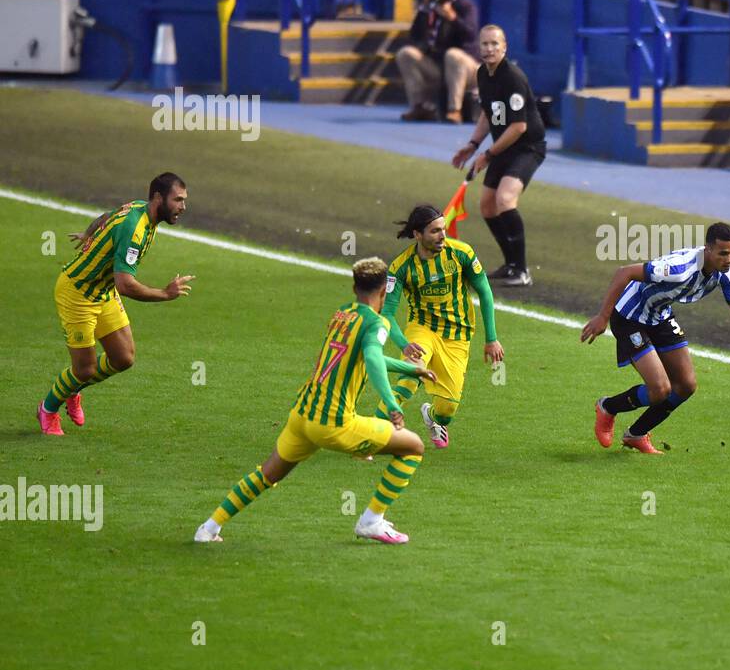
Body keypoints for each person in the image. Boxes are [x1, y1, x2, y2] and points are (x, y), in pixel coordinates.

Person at [194, 257, 437, 545]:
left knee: (268, 474)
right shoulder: (378, 322)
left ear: (354, 287)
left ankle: (209, 528)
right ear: (384, 291)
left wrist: (412, 368)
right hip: (334, 423)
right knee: (413, 447)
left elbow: (363, 356)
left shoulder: (342, 313)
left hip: (302, 415)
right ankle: (372, 521)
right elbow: (371, 357)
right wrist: (392, 404)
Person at [579, 222, 730, 455]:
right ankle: (607, 407)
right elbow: (624, 272)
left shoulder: (725, 274)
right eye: (723, 253)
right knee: (660, 389)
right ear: (707, 249)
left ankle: (636, 434)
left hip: (659, 315)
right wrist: (603, 316)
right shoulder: (679, 267)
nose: (729, 259)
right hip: (629, 316)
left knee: (686, 386)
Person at [38, 173, 195, 436]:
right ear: (158, 197)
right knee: (85, 369)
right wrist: (165, 294)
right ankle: (48, 409)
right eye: (178, 199)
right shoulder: (135, 228)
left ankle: (72, 388)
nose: (183, 206)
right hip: (77, 293)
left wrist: (89, 232)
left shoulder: (139, 209)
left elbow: (107, 216)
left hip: (103, 292)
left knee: (123, 358)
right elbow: (125, 285)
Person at [376, 205, 505, 450]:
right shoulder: (401, 267)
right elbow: (388, 314)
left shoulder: (461, 253)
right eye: (435, 231)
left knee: (448, 409)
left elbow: (485, 292)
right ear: (417, 235)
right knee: (410, 376)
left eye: (443, 229)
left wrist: (492, 338)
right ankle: (373, 433)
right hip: (422, 329)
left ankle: (434, 418)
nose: (443, 236)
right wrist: (404, 343)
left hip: (457, 336)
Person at [451, 24, 547, 287]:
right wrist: (472, 145)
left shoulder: (512, 78)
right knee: (487, 205)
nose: (490, 48)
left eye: (495, 44)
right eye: (485, 44)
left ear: (505, 47)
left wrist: (488, 155)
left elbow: (519, 127)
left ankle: (523, 270)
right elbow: (488, 113)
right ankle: (511, 265)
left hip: (527, 148)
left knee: (505, 199)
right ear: (479, 48)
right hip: (503, 147)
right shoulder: (482, 74)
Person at [396, 0, 480, 123]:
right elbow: (414, 37)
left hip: (468, 67)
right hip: (440, 66)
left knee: (453, 55)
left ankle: (455, 110)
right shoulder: (428, 9)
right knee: (406, 54)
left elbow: (471, 35)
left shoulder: (464, 5)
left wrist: (452, 17)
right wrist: (425, 9)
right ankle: (419, 106)